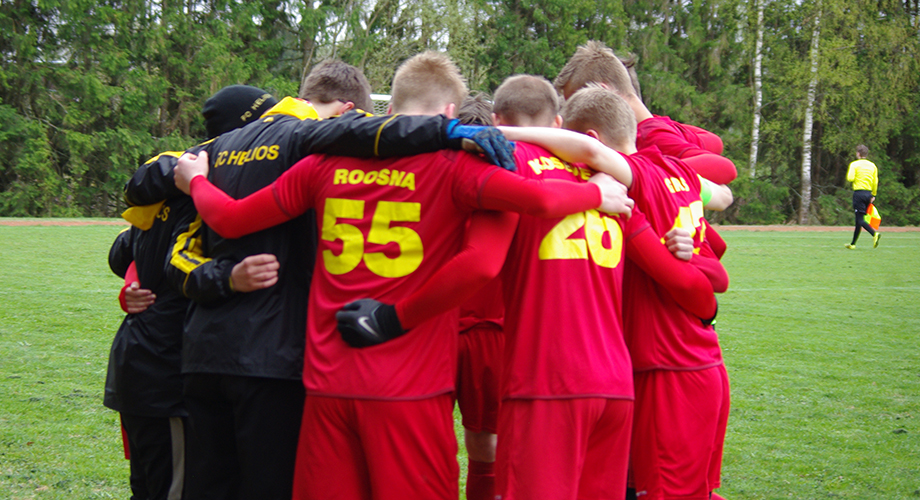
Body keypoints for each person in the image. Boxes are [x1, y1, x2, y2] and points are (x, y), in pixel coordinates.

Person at [172, 51, 637, 500]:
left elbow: (230, 219)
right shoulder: (457, 167)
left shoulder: (322, 165)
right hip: (412, 387)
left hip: (329, 385)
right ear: (450, 114)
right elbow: (514, 227)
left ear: (389, 110)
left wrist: (196, 180)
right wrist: (595, 194)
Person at [140, 59, 518, 500]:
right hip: (370, 371)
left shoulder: (240, 153)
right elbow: (486, 257)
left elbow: (190, 220)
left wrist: (199, 189)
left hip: (266, 362)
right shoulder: (442, 164)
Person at [104, 85, 278, 500]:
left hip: (141, 366)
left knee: (151, 488)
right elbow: (164, 261)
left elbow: (122, 251)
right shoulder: (198, 193)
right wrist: (231, 277)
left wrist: (133, 277)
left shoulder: (173, 187)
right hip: (164, 374)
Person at [561, 85, 731, 500]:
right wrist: (689, 257)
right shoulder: (678, 172)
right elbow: (721, 212)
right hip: (694, 362)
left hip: (667, 370)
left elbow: (597, 156)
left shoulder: (638, 179)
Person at [554, 41, 737, 186]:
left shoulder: (649, 135)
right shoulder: (656, 125)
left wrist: (644, 174)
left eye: (576, 102)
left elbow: (725, 168)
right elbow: (715, 142)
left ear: (605, 92)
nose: (572, 112)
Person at [453, 90, 504, 500]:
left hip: (485, 328)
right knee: (479, 444)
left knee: (486, 443)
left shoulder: (505, 187)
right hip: (440, 328)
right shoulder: (433, 179)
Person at [846, 144, 880, 249]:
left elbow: (850, 178)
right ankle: (853, 244)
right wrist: (873, 194)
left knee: (860, 220)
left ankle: (874, 234)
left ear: (858, 153)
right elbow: (875, 181)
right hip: (868, 194)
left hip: (859, 193)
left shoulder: (854, 164)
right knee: (858, 220)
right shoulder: (872, 166)